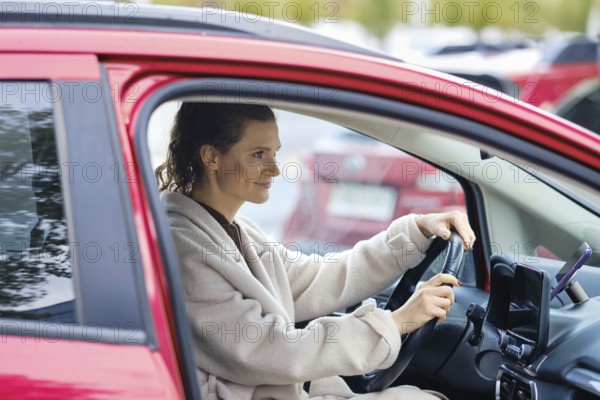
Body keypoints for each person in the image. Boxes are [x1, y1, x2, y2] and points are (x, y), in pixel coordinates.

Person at [157, 102, 476, 400]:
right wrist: (394, 323)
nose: (275, 169)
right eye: (258, 154)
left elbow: (320, 277)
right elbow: (270, 350)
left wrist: (415, 231)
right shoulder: (185, 249)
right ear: (211, 157)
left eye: (274, 153)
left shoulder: (237, 231)